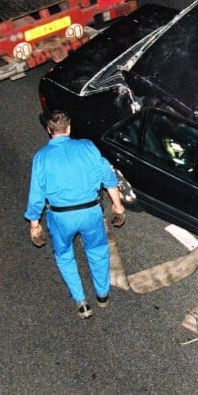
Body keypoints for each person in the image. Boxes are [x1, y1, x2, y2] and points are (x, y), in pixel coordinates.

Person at [25, 110, 126, 319]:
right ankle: (102, 295)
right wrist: (118, 206)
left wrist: (34, 225)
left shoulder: (41, 157)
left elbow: (36, 196)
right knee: (97, 251)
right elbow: (108, 178)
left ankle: (81, 302)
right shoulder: (87, 147)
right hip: (90, 212)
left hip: (61, 217)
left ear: (48, 130)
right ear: (69, 128)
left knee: (64, 256)